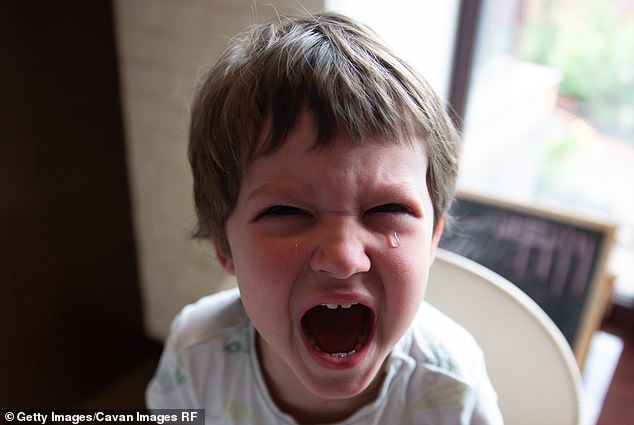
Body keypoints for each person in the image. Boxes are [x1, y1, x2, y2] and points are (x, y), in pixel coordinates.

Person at [146, 12, 503, 425]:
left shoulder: (451, 386)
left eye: (387, 209)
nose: (343, 257)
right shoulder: (197, 355)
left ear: (432, 240)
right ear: (224, 246)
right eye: (286, 211)